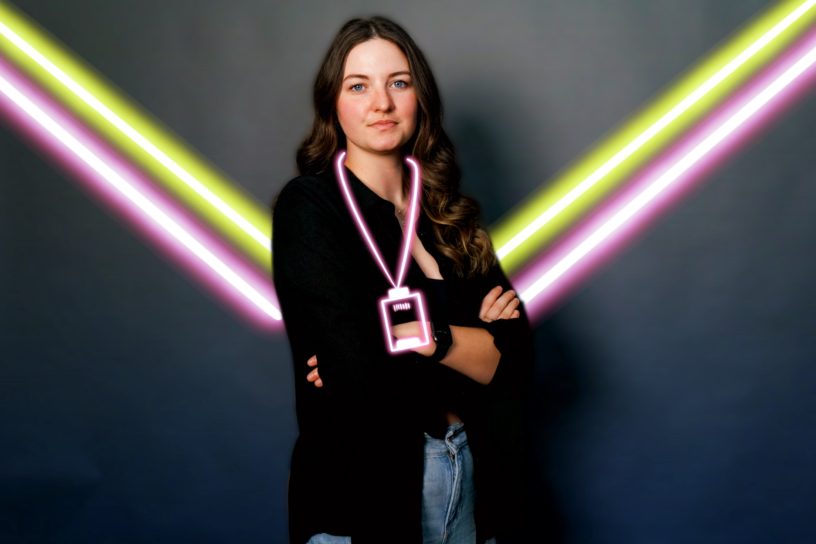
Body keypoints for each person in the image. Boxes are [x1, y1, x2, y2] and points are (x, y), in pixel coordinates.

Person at [272, 15, 534, 544]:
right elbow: (359, 375)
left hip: (471, 477)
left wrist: (420, 339)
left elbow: (518, 360)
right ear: (334, 104)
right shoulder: (311, 208)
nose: (381, 103)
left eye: (398, 82)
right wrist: (468, 346)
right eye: (358, 86)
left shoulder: (449, 215)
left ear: (419, 95)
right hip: (363, 495)